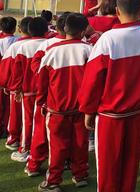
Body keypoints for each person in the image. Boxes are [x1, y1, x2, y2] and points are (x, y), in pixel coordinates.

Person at [78, 0, 140, 192]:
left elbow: (92, 79)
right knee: (130, 167)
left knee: (108, 169)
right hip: (137, 114)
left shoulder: (107, 39)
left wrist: (88, 109)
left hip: (110, 115)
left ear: (117, 11)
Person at [36, 13, 92, 191]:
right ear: (83, 31)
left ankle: (53, 181)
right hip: (81, 108)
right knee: (80, 143)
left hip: (57, 109)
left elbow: (42, 81)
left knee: (57, 147)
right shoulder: (89, 49)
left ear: (64, 28)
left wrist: (41, 103)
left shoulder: (52, 51)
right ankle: (80, 174)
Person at [25, 13, 69, 177]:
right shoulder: (84, 44)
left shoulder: (47, 44)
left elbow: (36, 68)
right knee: (69, 135)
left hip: (50, 99)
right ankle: (67, 163)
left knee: (41, 133)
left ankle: (34, 165)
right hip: (72, 100)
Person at [9, 17, 48, 162]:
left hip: (29, 91)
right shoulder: (48, 44)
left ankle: (25, 149)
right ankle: (42, 149)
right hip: (46, 91)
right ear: (46, 30)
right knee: (42, 122)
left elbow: (17, 71)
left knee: (28, 121)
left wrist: (16, 89)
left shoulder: (23, 47)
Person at [0, 16, 32, 150]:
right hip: (28, 84)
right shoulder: (18, 41)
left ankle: (12, 136)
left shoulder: (16, 44)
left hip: (13, 82)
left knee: (12, 111)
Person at [0, 17, 17, 138]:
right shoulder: (18, 40)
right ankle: (7, 128)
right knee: (9, 105)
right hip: (13, 76)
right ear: (14, 28)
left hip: (3, 74)